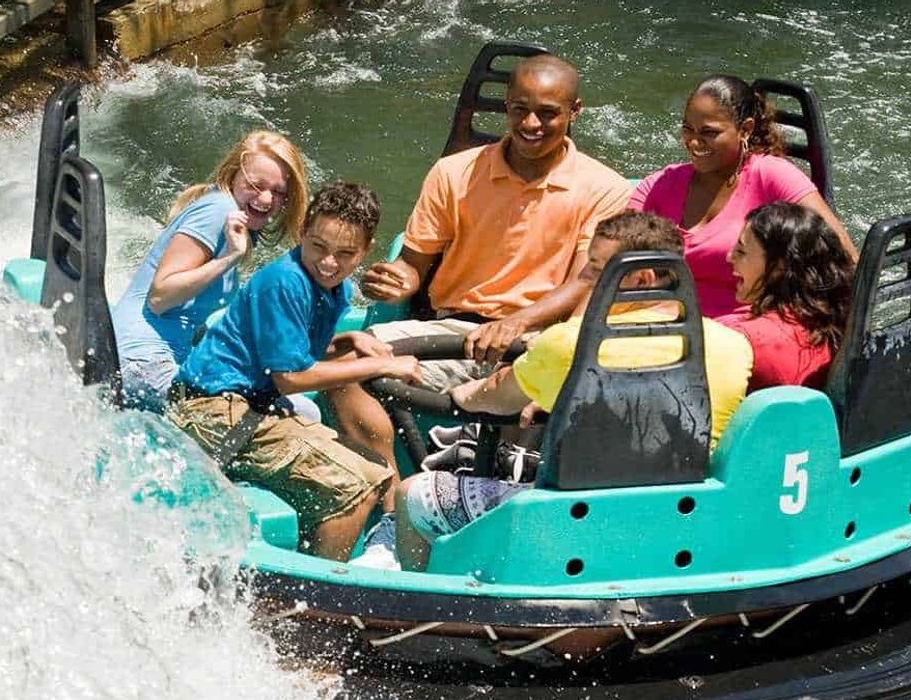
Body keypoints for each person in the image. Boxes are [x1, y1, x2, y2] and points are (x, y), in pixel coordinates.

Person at [377, 210, 755, 572]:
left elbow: (488, 399)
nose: (586, 277)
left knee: (413, 495)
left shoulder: (568, 345)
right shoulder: (731, 346)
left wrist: (466, 393)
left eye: (597, 268)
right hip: (674, 520)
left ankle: (426, 603)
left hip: (570, 520)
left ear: (641, 280)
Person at [329, 53, 632, 467]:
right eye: (520, 110)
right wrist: (396, 278)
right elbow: (414, 265)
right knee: (340, 364)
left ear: (574, 112)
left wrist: (517, 324)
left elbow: (584, 282)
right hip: (453, 331)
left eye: (547, 114)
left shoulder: (605, 189)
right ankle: (390, 489)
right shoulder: (453, 173)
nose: (530, 125)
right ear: (506, 105)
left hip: (537, 341)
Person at [168, 182, 421, 562]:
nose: (329, 263)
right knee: (359, 483)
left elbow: (298, 353)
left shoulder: (335, 288)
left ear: (366, 250)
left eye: (345, 253)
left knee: (370, 466)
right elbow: (291, 377)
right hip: (213, 413)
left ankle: (328, 548)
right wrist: (384, 363)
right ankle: (322, 595)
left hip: (249, 407)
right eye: (318, 246)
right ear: (303, 230)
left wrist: (348, 341)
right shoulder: (284, 281)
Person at [628, 74, 855, 320]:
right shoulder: (662, 183)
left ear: (745, 129)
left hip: (744, 331)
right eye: (687, 129)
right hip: (662, 322)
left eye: (708, 132)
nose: (693, 142)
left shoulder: (772, 175)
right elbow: (614, 253)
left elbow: (846, 258)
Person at [111, 130, 310, 411]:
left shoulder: (229, 213)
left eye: (278, 192)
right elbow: (160, 297)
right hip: (142, 359)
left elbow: (187, 313)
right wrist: (229, 257)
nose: (266, 200)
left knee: (293, 405)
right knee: (296, 412)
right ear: (232, 176)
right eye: (256, 185)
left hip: (159, 355)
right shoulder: (218, 211)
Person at [720, 202, 854, 391]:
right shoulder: (838, 325)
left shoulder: (742, 340)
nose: (729, 257)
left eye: (741, 251)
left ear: (779, 267)